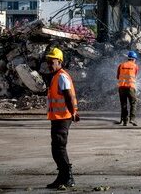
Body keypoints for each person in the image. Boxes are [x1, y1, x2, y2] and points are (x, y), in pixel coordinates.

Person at [45, 47, 80, 189]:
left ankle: (68, 177)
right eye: (47, 61)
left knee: (59, 148)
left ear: (59, 61)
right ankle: (62, 177)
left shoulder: (62, 76)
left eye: (51, 61)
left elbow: (68, 96)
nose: (49, 64)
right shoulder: (56, 75)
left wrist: (73, 113)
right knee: (56, 148)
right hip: (57, 117)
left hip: (63, 117)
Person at [117, 51, 139, 126]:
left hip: (121, 87)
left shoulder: (121, 65)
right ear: (134, 59)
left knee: (123, 104)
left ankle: (125, 121)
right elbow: (135, 76)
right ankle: (132, 119)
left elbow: (118, 76)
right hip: (130, 87)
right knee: (133, 103)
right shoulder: (135, 66)